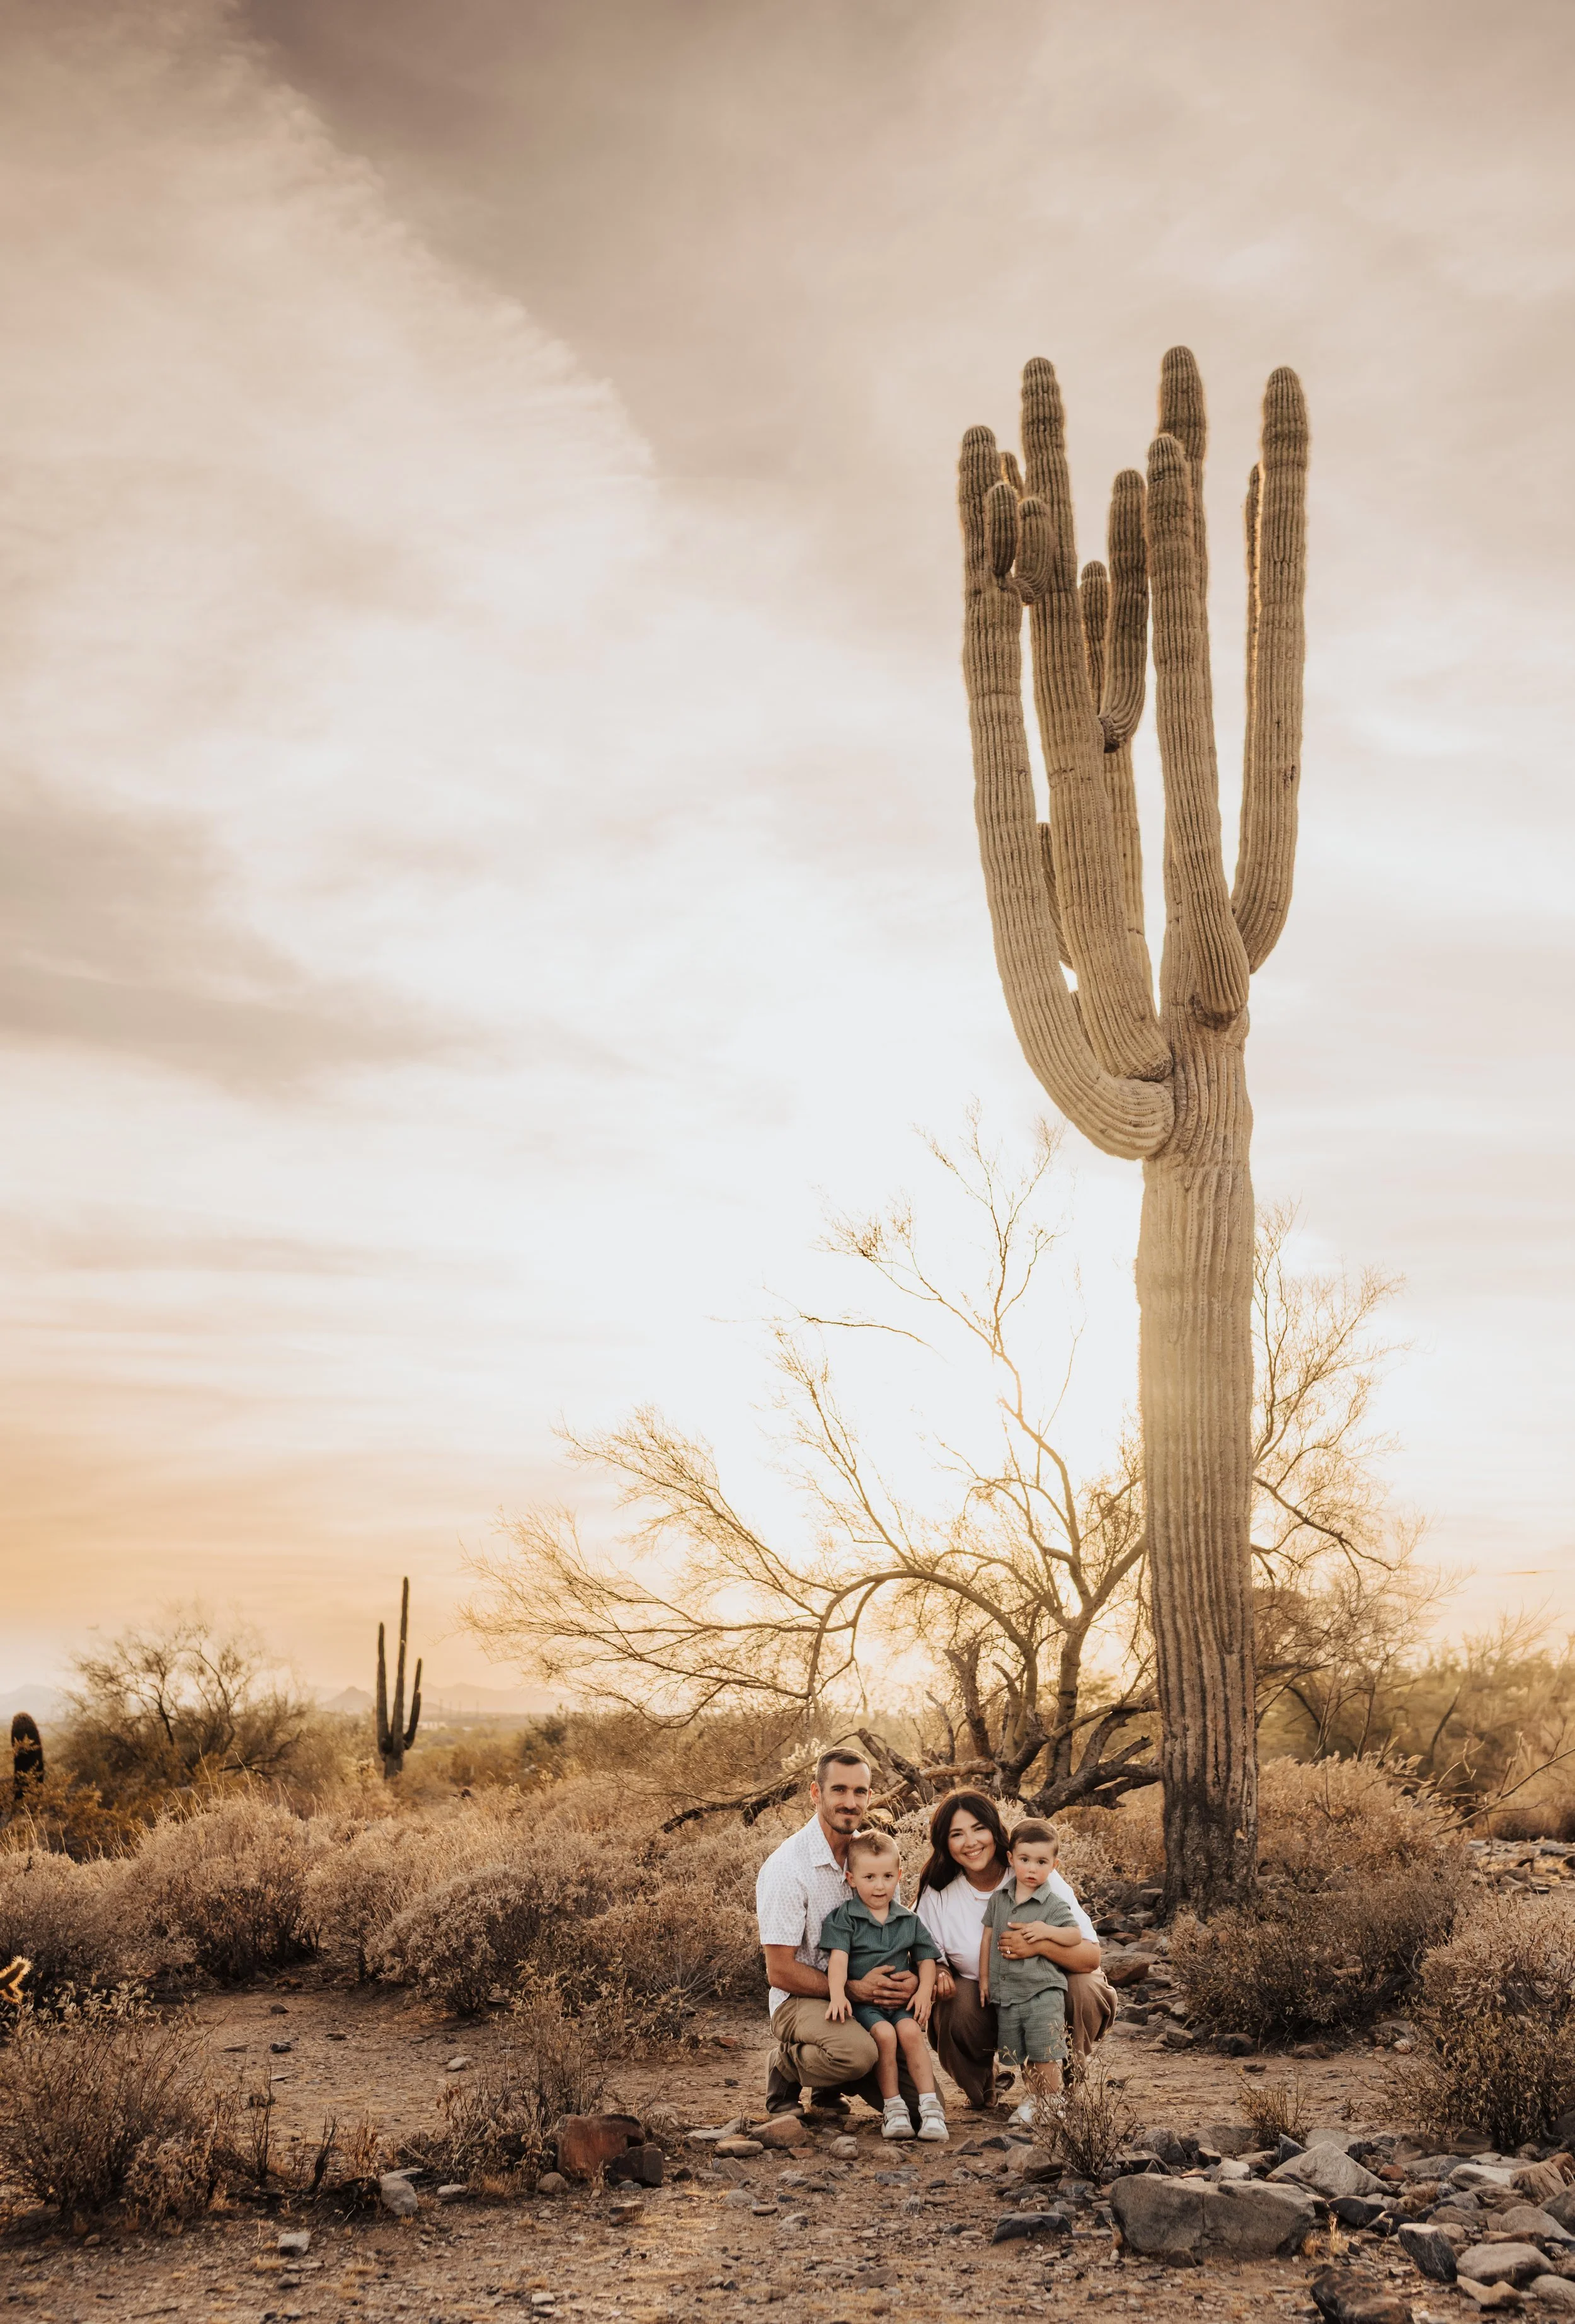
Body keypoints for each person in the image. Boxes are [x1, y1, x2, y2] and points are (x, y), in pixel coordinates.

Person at [915, 1789, 1113, 2110]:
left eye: (979, 1828)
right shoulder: (937, 1892)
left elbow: (1091, 1957)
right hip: (986, 2001)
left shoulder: (1031, 1871)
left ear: (995, 1830)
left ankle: (1064, 2085)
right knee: (952, 2001)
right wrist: (939, 1970)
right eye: (957, 1834)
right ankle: (984, 2088)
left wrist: (1037, 1945)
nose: (971, 1842)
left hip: (1043, 1994)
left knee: (1084, 1985)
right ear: (944, 1842)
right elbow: (925, 1952)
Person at [754, 1748, 923, 2122]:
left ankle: (830, 2082)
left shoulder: (873, 1856)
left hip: (863, 2001)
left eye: (860, 1792)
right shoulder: (787, 1868)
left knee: (920, 2111)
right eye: (839, 1790)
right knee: (858, 2054)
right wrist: (851, 1988)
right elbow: (779, 1971)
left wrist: (910, 1978)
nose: (851, 1803)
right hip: (799, 1999)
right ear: (816, 1793)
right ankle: (786, 2066)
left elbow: (894, 1933)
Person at [821, 1829, 948, 2143]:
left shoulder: (909, 1920)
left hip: (899, 2006)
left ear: (899, 1876)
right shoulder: (845, 1919)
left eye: (888, 1876)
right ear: (851, 1879)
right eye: (869, 1877)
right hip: (866, 2007)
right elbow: (838, 1961)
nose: (880, 1886)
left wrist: (923, 1994)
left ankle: (931, 2111)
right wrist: (838, 1995)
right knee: (885, 2035)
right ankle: (894, 2110)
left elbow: (927, 1960)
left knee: (909, 2033)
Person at [980, 1819, 1081, 2126]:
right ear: (1011, 1858)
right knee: (1021, 2049)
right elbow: (987, 1937)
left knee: (1044, 2048)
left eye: (1041, 1862)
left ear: (1054, 1865)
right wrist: (985, 1980)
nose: (1032, 1869)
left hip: (1042, 1992)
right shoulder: (999, 1900)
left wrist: (1046, 1931)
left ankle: (1051, 2101)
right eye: (1025, 1860)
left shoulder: (1054, 1904)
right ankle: (1035, 2098)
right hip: (1009, 1993)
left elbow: (1075, 1936)